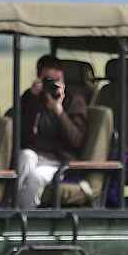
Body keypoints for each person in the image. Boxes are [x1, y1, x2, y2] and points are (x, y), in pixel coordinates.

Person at [15, 54, 89, 208]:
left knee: (35, 177)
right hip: (35, 154)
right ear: (39, 79)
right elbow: (19, 135)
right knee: (25, 157)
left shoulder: (74, 101)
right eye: (49, 81)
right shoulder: (31, 98)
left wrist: (59, 110)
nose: (54, 86)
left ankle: (25, 218)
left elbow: (76, 141)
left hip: (59, 161)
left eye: (58, 81)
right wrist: (33, 100)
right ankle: (12, 206)